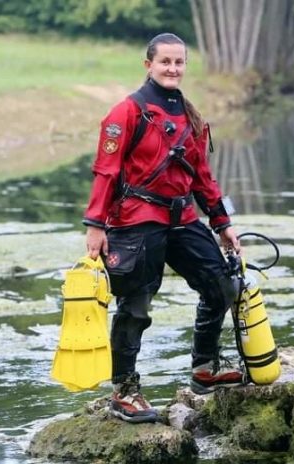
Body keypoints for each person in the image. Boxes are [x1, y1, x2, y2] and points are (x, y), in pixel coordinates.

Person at [82, 32, 243, 424]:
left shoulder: (191, 116)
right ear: (148, 65)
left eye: (179, 62)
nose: (173, 68)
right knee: (135, 306)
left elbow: (204, 177)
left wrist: (222, 223)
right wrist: (95, 225)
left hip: (183, 219)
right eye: (165, 62)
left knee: (222, 283)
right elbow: (107, 171)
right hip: (136, 221)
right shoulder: (125, 113)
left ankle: (204, 367)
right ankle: (125, 391)